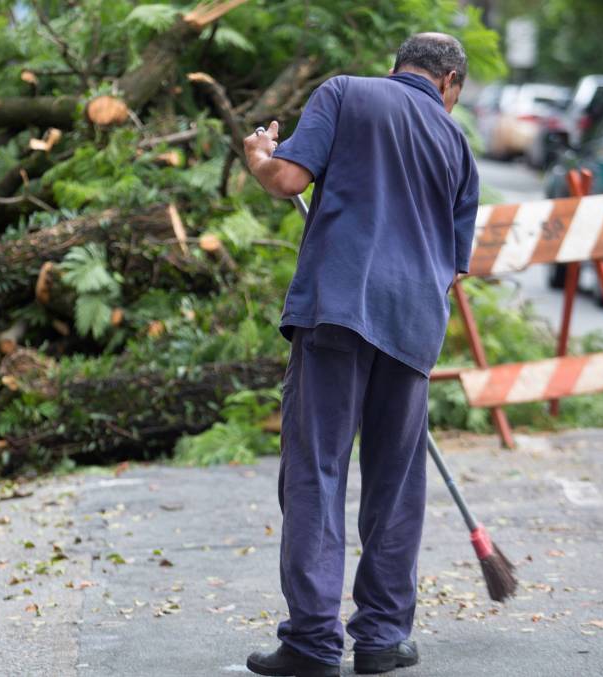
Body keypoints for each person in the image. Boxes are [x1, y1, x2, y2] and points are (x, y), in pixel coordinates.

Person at [241, 33, 479, 677]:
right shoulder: (457, 143)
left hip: (338, 308)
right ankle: (380, 638)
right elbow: (456, 265)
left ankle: (314, 643)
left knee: (316, 471)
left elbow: (287, 178)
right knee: (395, 484)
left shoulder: (345, 93)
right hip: (414, 324)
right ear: (449, 81)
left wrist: (260, 156)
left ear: (397, 67)